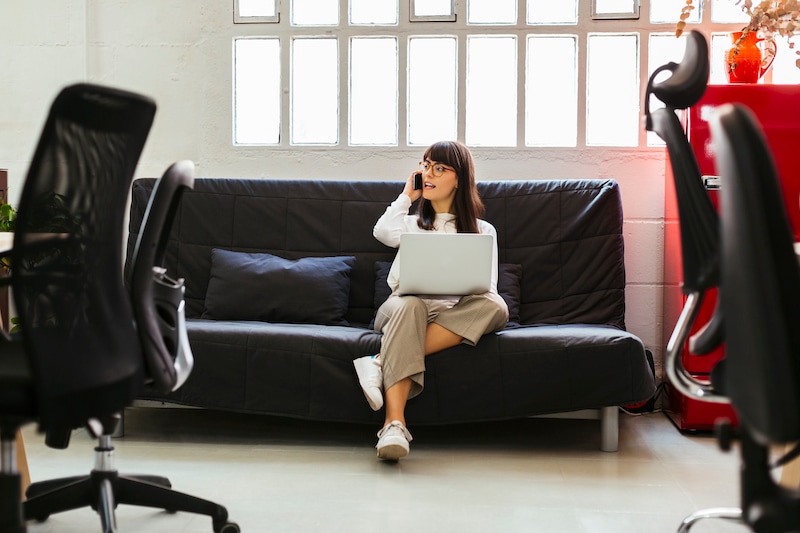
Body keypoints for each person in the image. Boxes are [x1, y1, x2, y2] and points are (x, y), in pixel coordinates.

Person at [353, 140, 509, 461]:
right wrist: (407, 197)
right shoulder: (410, 223)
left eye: (439, 168)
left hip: (450, 315)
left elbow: (487, 287)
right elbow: (382, 232)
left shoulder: (483, 231)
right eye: (425, 166)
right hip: (401, 308)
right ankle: (394, 425)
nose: (428, 173)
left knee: (496, 305)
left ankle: (380, 360)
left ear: (459, 178)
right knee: (411, 304)